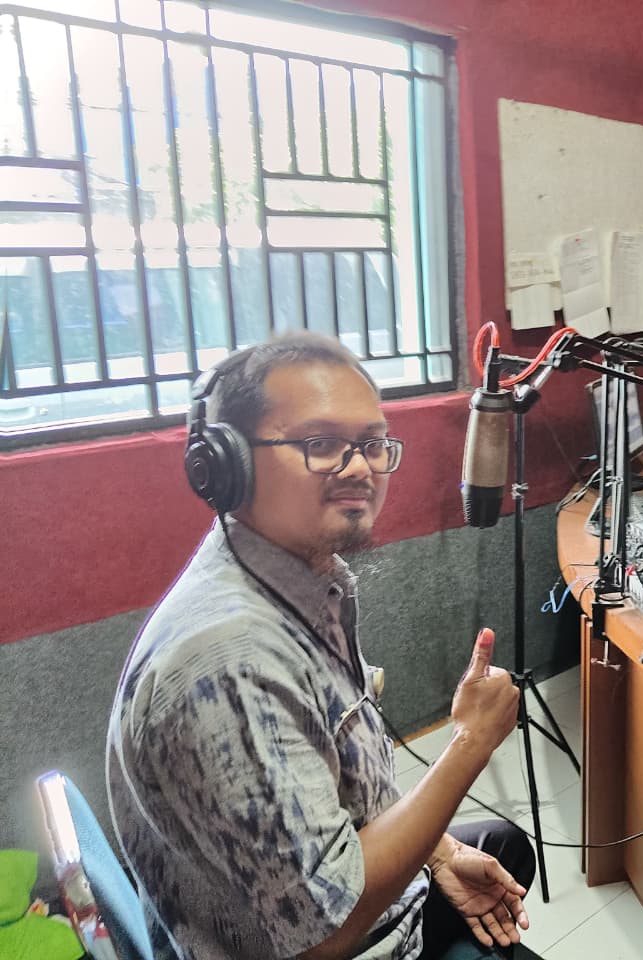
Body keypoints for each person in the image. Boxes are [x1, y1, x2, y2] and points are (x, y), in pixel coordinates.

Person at [107, 331, 534, 960]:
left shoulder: (293, 576)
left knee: (504, 846)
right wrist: (471, 741)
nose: (359, 467)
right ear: (227, 466)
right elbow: (323, 935)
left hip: (345, 890)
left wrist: (439, 855)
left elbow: (341, 794)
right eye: (321, 444)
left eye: (371, 444)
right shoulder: (231, 665)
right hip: (340, 941)